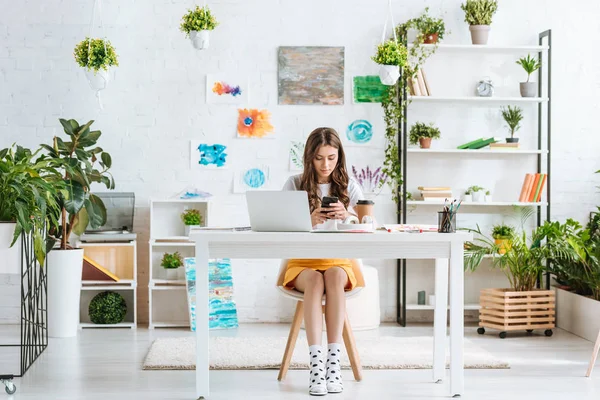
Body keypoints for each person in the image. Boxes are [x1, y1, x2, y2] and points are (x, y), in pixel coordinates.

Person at [282, 127, 364, 396]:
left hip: (338, 260)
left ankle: (333, 364)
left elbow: (365, 226)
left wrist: (347, 217)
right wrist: (308, 221)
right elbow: (278, 227)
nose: (326, 164)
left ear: (339, 155)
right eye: (319, 158)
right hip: (303, 262)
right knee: (316, 280)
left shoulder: (349, 186)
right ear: (309, 157)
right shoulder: (294, 184)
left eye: (331, 157)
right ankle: (316, 366)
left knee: (334, 276)